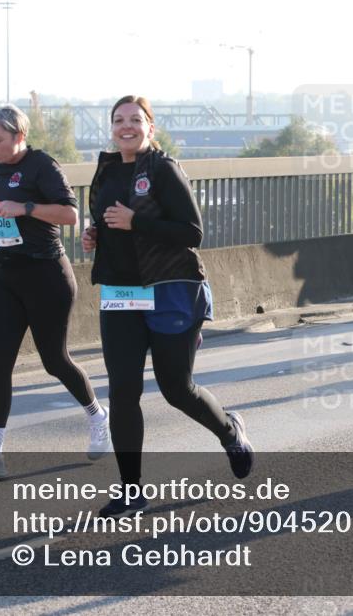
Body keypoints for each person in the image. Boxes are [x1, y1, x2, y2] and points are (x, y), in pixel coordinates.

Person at [82, 95, 253, 516]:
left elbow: (191, 231)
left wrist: (136, 221)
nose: (127, 127)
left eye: (135, 120)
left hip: (170, 290)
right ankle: (131, 491)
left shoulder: (163, 168)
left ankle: (229, 430)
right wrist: (94, 237)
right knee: (123, 391)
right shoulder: (105, 170)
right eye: (119, 120)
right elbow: (107, 222)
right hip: (121, 294)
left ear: (150, 128)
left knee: (176, 388)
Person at [0, 104, 108, 479]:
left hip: (47, 275)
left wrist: (23, 206)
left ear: (19, 135)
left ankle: (98, 417)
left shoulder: (42, 165)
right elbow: (0, 230)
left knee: (54, 361)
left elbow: (70, 216)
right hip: (7, 275)